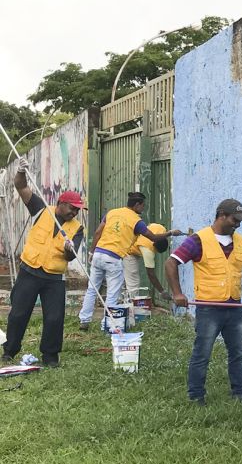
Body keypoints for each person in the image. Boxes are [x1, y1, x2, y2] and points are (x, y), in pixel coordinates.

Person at [165, 199, 242, 405]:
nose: (237, 224)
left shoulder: (240, 241)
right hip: (209, 308)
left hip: (235, 307)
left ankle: (240, 394)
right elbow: (171, 262)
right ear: (221, 216)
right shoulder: (198, 240)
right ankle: (196, 396)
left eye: (240, 221)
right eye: (234, 220)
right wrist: (177, 293)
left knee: (238, 353)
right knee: (202, 354)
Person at [1, 157, 85, 367]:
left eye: (77, 210)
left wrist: (68, 250)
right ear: (61, 203)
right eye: (72, 208)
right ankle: (9, 351)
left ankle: (50, 357)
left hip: (54, 279)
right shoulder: (41, 209)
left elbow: (71, 256)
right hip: (29, 271)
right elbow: (21, 186)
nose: (74, 212)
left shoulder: (77, 228)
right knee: (19, 313)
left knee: (55, 318)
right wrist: (21, 171)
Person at [78, 191, 180, 330]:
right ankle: (106, 325)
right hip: (113, 258)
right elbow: (154, 238)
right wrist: (170, 233)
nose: (143, 209)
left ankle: (84, 320)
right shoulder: (136, 221)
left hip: (98, 254)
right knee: (113, 294)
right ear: (137, 205)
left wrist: (91, 251)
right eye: (143, 206)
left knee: (92, 289)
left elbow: (97, 232)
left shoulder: (112, 213)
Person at [123, 222, 171, 305]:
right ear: (154, 247)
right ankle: (131, 307)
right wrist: (162, 291)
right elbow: (151, 274)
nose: (155, 252)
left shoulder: (161, 229)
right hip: (128, 252)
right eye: (156, 251)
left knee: (126, 279)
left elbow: (149, 225)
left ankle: (127, 303)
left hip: (134, 242)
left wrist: (172, 233)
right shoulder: (148, 250)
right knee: (133, 282)